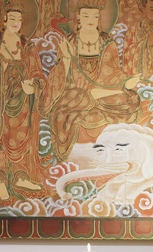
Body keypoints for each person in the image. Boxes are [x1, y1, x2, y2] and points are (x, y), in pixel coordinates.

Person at [41, 0, 141, 163]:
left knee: (131, 99)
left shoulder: (106, 41)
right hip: (75, 91)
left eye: (95, 16)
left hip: (102, 88)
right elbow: (60, 76)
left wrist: (125, 82)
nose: (90, 20)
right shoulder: (70, 41)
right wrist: (66, 57)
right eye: (86, 15)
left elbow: (113, 71)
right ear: (78, 17)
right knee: (62, 113)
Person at [0, 0, 47, 204]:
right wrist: (2, 63)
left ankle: (20, 175)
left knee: (23, 135)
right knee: (0, 135)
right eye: (12, 18)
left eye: (19, 19)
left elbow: (37, 72)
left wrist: (33, 85)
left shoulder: (27, 45)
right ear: (4, 20)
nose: (16, 22)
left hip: (23, 100)